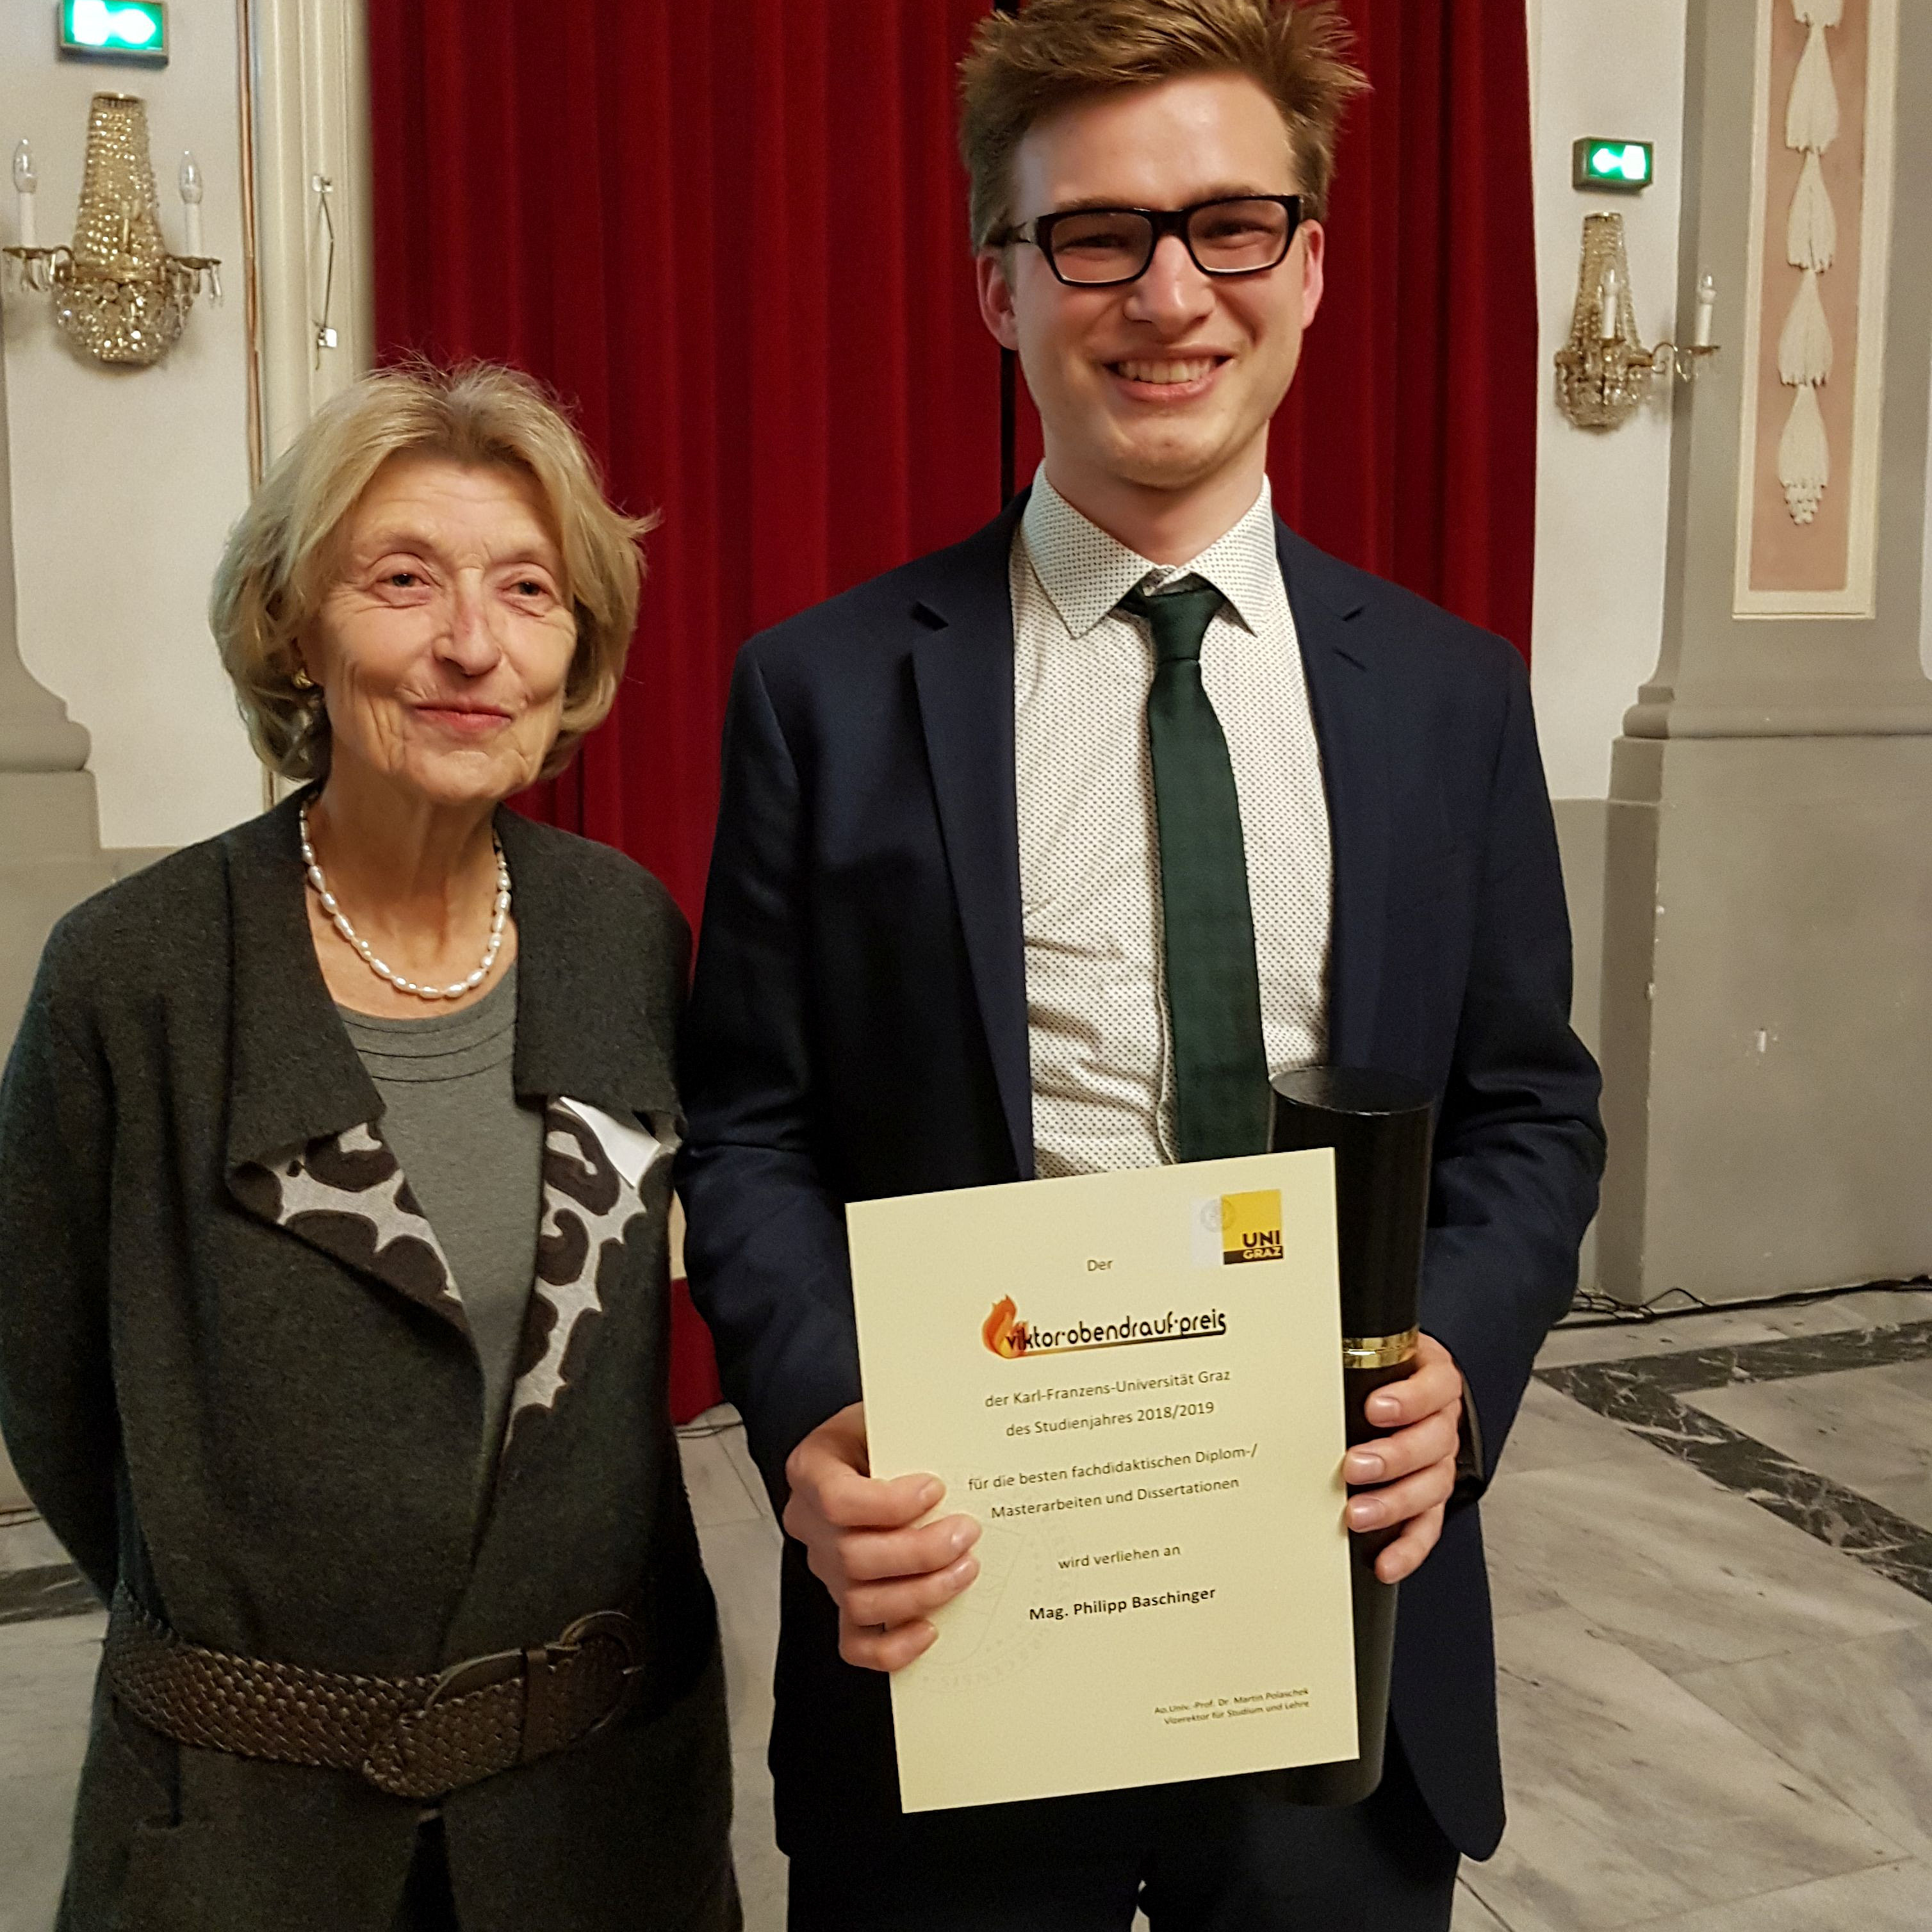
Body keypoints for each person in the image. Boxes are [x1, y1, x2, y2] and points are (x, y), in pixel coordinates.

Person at [680, 1, 1603, 1928]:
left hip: (1335, 1607)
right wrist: (818, 1412)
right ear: (1000, 287)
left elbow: (1530, 1108)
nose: (1169, 294)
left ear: (1310, 266)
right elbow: (752, 1127)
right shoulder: (822, 694)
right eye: (1096, 235)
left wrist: (1457, 1360)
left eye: (1230, 225)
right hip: (963, 1616)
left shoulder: (1449, 696)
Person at [0, 363, 737, 1932]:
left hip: (604, 1820)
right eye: (403, 580)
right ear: (293, 627)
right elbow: (48, 1383)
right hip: (249, 1826)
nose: (472, 642)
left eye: (526, 590)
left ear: (576, 646)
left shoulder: (622, 933)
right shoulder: (135, 974)